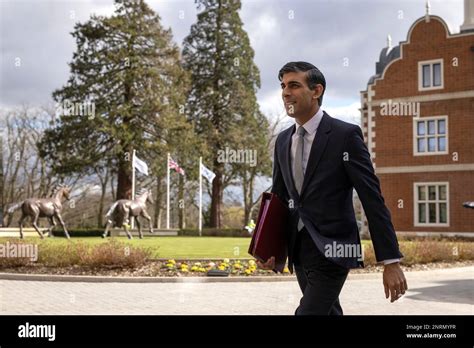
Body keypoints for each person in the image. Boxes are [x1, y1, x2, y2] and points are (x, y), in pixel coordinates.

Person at [257, 61, 407, 315]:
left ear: (316, 91)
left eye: (294, 85)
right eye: (283, 86)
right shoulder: (283, 140)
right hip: (299, 250)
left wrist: (390, 261)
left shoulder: (345, 135)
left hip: (335, 249)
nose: (285, 92)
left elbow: (372, 198)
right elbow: (280, 197)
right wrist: (270, 248)